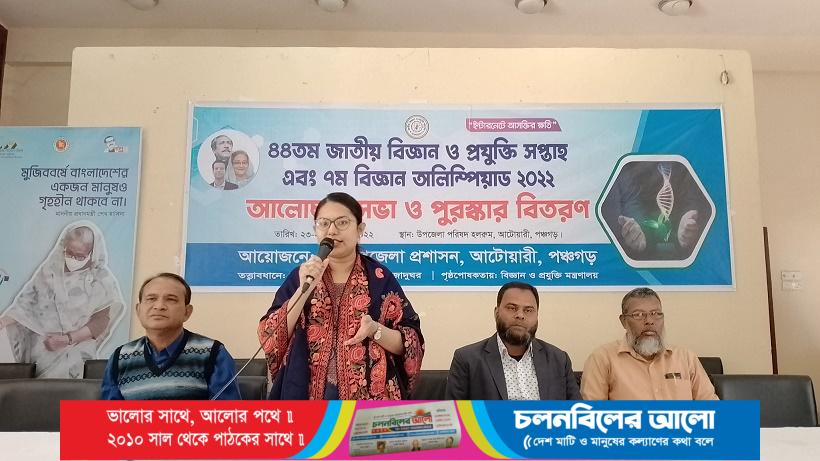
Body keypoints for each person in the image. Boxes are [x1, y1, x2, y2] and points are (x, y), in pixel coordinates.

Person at [258, 192, 424, 399]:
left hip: (369, 402)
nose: (332, 230)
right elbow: (270, 337)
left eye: (342, 222)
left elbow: (411, 344)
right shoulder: (301, 277)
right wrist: (303, 290)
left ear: (360, 230)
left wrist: (375, 329)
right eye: (324, 223)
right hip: (306, 396)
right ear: (315, 230)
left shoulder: (379, 278)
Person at [0, 221, 125, 378]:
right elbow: (26, 303)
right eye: (69, 253)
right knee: (36, 391)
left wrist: (67, 339)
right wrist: (4, 321)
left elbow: (100, 322)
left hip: (76, 352)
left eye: (80, 256)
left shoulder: (101, 280)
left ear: (92, 253)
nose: (73, 259)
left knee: (72, 390)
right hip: (42, 352)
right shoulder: (49, 271)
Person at [101, 273, 241, 399]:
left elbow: (228, 415)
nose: (159, 306)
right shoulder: (120, 357)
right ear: (138, 310)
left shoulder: (214, 353)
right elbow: (108, 415)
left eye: (171, 299)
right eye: (151, 298)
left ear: (187, 312)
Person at [445, 282, 580, 400]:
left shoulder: (559, 360)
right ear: (496, 313)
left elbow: (578, 413)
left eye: (528, 310)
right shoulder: (467, 359)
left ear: (537, 316)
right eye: (511, 308)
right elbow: (451, 417)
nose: (520, 315)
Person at [581, 287, 718, 400]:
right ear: (623, 321)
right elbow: (591, 416)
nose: (649, 321)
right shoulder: (602, 359)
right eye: (638, 315)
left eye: (655, 313)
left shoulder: (686, 358)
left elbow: (713, 410)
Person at [600, 160, 711, 261]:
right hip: (644, 250)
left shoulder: (689, 162)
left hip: (686, 252)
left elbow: (697, 196)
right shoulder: (630, 165)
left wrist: (690, 221)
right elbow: (631, 198)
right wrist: (638, 232)